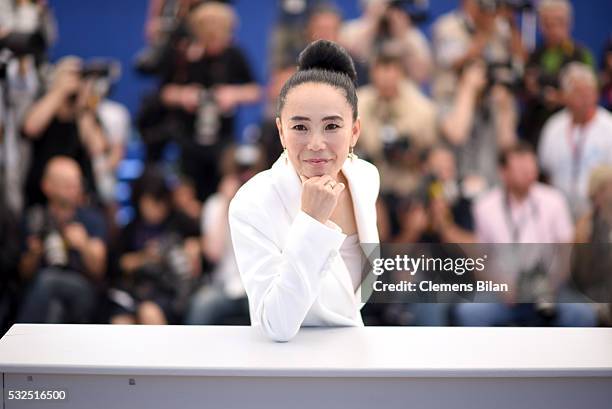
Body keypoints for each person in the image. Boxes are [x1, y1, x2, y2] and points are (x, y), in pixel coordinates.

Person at [229, 40, 380, 342]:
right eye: (299, 128)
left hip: (353, 359)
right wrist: (310, 222)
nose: (315, 144)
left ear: (354, 131)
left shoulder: (365, 177)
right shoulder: (253, 202)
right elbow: (275, 325)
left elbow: (354, 299)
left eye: (332, 126)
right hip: (287, 372)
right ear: (281, 131)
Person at [454, 142, 597, 327]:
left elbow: (566, 252)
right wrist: (501, 284)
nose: (528, 172)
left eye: (531, 166)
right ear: (503, 172)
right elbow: (481, 261)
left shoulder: (554, 200)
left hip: (549, 288)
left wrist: (551, 284)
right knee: (469, 312)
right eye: (520, 167)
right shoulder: (485, 206)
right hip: (504, 289)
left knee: (582, 315)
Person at [17, 156, 107, 323]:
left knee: (48, 281)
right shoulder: (35, 218)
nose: (74, 189)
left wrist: (84, 245)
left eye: (76, 184)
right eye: (66, 184)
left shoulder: (91, 219)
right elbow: (23, 274)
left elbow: (99, 271)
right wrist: (35, 253)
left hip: (82, 286)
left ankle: (18, 342)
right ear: (47, 186)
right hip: (41, 290)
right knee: (53, 308)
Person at [538, 62, 612, 219]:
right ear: (565, 96)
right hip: (558, 213)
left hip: (599, 214)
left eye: (589, 92)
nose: (585, 98)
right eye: (578, 93)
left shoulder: (608, 126)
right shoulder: (553, 127)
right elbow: (546, 173)